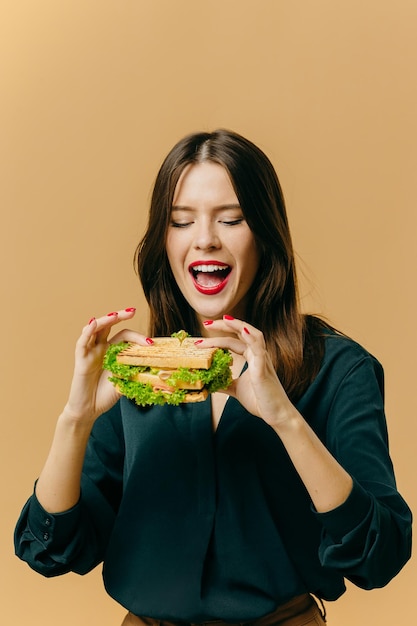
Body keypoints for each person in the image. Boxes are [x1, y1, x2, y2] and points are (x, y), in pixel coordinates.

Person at [15, 129, 412, 626]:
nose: (205, 237)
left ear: (265, 234)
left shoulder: (340, 369)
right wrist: (76, 417)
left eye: (231, 219)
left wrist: (284, 418)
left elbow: (381, 553)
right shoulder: (136, 373)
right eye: (182, 222)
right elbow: (54, 548)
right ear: (164, 240)